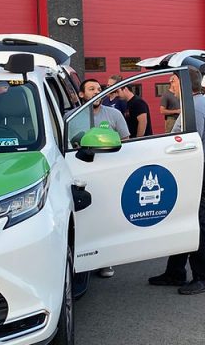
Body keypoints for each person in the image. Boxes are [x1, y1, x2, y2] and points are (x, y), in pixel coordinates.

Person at [149, 66, 205, 295]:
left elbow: (189, 146)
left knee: (196, 222)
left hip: (195, 170)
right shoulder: (193, 105)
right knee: (183, 219)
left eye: (174, 82)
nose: (171, 86)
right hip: (191, 170)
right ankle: (175, 272)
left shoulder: (195, 109)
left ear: (185, 85)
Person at [74, 78, 130, 280]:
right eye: (91, 89)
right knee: (84, 217)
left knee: (107, 214)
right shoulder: (71, 117)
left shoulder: (113, 114)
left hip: (108, 173)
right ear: (81, 95)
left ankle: (106, 261)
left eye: (99, 89)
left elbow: (125, 141)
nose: (96, 92)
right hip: (80, 172)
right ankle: (83, 258)